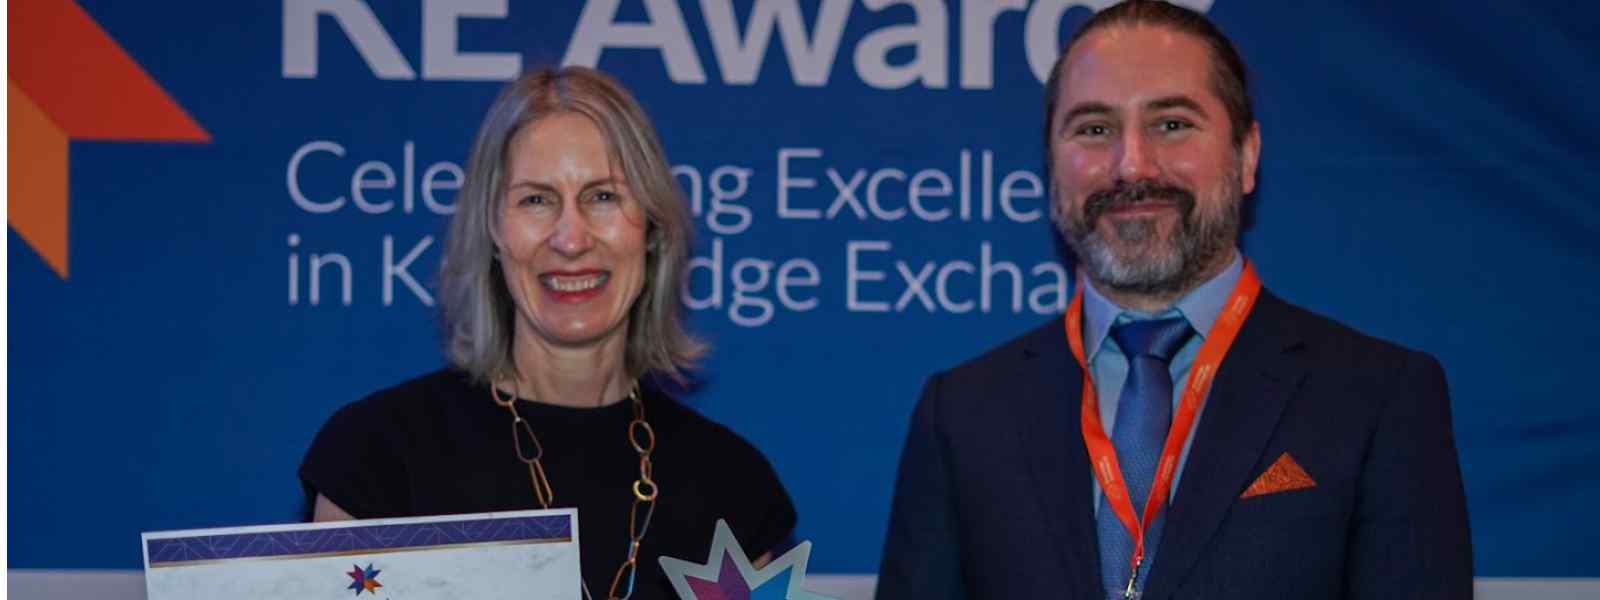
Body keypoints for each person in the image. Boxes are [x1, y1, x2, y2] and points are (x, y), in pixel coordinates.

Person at [876, 2, 1471, 599]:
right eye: (1094, 129)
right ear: (1052, 164)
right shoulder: (962, 413)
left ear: (1246, 155)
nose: (1131, 164)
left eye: (1172, 124)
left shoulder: (1378, 396)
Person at [300, 66, 796, 600]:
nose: (571, 238)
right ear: (493, 229)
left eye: (603, 196)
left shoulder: (732, 485)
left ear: (652, 225)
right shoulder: (377, 457)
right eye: (536, 199)